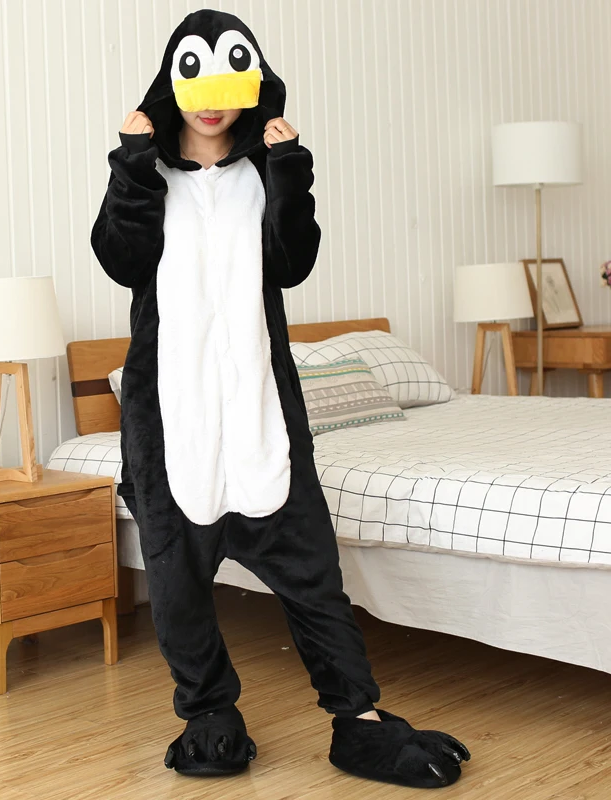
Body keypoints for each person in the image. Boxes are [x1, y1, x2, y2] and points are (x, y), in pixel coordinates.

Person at [91, 8, 470, 789]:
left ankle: (358, 720)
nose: (212, 101)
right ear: (171, 84)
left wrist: (291, 171)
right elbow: (121, 259)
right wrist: (130, 164)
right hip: (172, 423)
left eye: (231, 78)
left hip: (263, 414)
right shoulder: (148, 172)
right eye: (195, 80)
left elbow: (293, 263)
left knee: (313, 575)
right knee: (177, 583)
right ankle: (209, 715)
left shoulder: (264, 170)